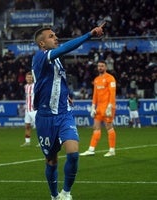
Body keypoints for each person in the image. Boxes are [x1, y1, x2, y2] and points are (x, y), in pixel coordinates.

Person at [32, 23, 105, 200]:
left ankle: (66, 193)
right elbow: (65, 48)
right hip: (46, 118)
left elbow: (58, 81)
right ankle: (54, 195)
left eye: (55, 35)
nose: (56, 37)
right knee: (52, 160)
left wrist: (67, 95)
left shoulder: (55, 60)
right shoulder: (40, 57)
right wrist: (89, 34)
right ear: (42, 43)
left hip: (64, 114)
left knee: (73, 153)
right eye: (51, 36)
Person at [80, 60, 117, 157]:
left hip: (108, 106)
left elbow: (112, 93)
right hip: (99, 107)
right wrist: (93, 106)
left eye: (102, 66)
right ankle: (91, 149)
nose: (100, 67)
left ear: (106, 67)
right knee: (96, 127)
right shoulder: (96, 79)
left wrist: (110, 106)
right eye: (99, 66)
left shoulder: (110, 78)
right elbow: (95, 94)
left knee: (109, 127)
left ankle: (112, 150)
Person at [20, 71, 37, 147]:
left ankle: (41, 141)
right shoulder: (26, 86)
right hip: (27, 110)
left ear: (32, 78)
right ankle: (27, 142)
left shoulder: (35, 86)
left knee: (39, 127)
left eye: (30, 77)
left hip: (34, 110)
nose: (29, 78)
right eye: (27, 77)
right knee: (27, 126)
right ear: (26, 78)